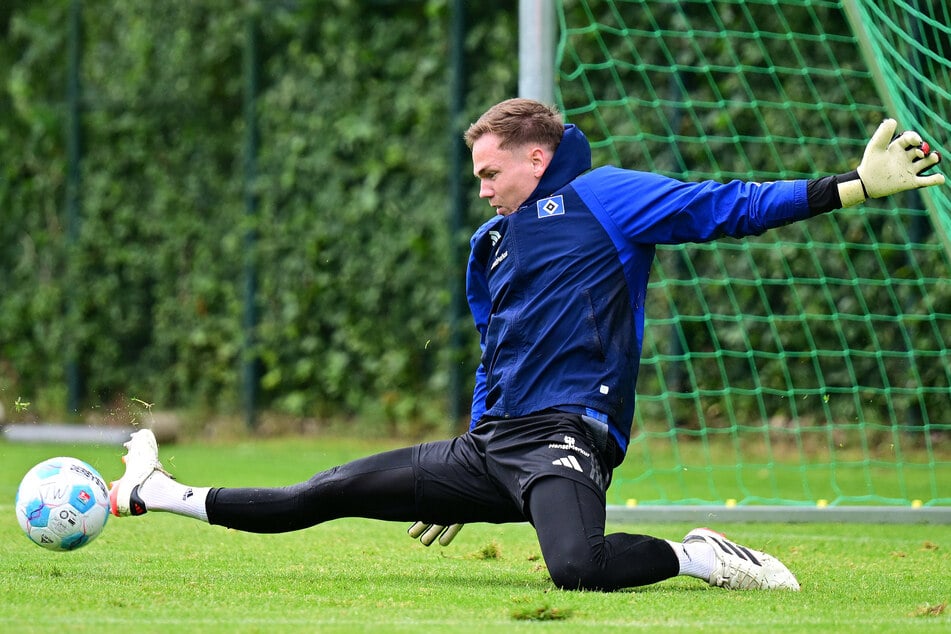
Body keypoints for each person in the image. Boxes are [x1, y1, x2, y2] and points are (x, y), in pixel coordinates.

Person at [109, 98, 944, 592]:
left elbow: (722, 205)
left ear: (535, 158)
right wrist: (465, 455)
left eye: (488, 173)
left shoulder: (604, 198)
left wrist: (853, 186)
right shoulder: (491, 243)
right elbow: (496, 350)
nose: (480, 188)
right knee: (318, 493)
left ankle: (702, 557)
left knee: (574, 570)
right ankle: (155, 492)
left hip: (564, 435)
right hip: (491, 444)